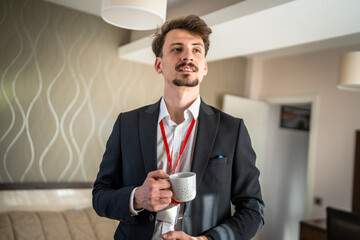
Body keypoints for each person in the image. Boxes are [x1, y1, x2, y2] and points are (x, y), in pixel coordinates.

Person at [93, 15, 264, 240]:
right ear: (158, 64)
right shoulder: (127, 124)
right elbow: (100, 197)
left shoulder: (233, 130)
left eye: (196, 50)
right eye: (176, 49)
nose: (187, 56)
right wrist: (137, 198)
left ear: (204, 67)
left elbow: (253, 210)